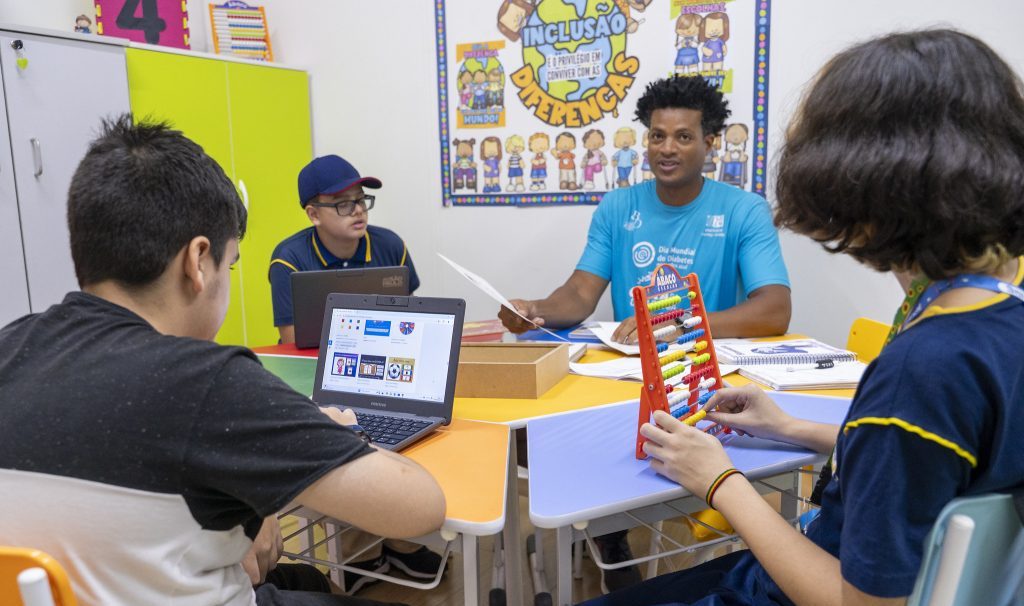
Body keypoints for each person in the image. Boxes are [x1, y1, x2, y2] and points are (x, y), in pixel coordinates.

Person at [584, 29, 1024, 606]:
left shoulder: (921, 368)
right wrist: (790, 428)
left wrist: (720, 482)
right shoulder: (997, 323)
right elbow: (926, 460)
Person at [0, 116, 446, 606]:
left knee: (303, 580)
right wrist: (327, 432)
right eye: (230, 265)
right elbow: (421, 508)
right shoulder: (210, 381)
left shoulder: (10, 347)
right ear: (198, 261)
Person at [499, 76, 791, 345]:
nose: (667, 148)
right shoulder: (617, 206)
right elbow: (579, 293)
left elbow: (775, 310)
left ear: (708, 144)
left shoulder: (745, 210)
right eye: (657, 136)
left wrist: (680, 323)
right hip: (630, 368)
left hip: (709, 375)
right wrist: (534, 309)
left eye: (684, 137)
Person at [269, 155, 419, 344]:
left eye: (361, 199)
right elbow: (293, 344)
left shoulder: (391, 245)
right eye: (344, 204)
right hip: (311, 366)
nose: (358, 210)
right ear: (314, 215)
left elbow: (412, 320)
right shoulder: (288, 260)